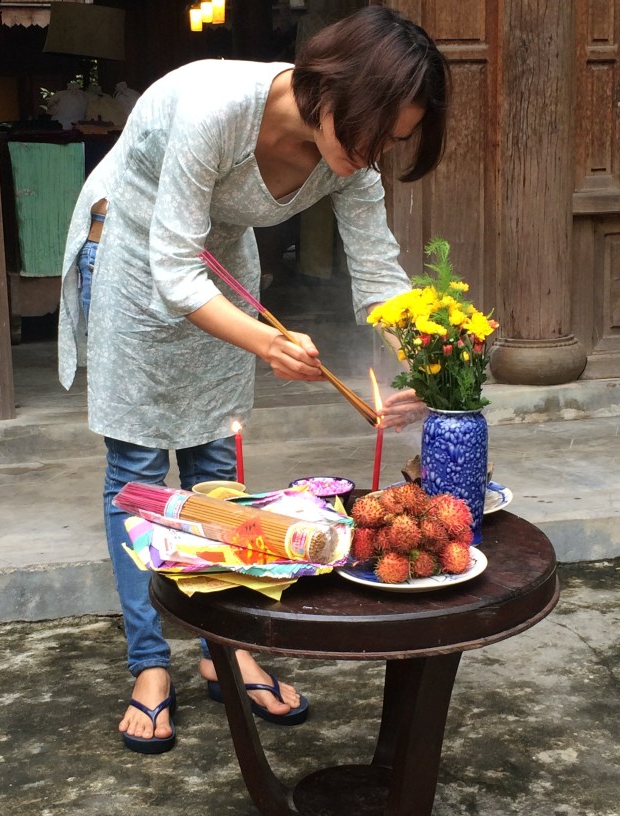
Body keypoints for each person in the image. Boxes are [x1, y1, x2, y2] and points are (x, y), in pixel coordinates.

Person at [58, 5, 450, 754]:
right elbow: (173, 267)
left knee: (216, 466)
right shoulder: (217, 107)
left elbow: (380, 276)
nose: (374, 156)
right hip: (136, 257)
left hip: (220, 266)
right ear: (333, 89)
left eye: (391, 143)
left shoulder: (352, 157)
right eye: (372, 134)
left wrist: (426, 366)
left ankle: (224, 646)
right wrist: (269, 343)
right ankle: (149, 662)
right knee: (138, 474)